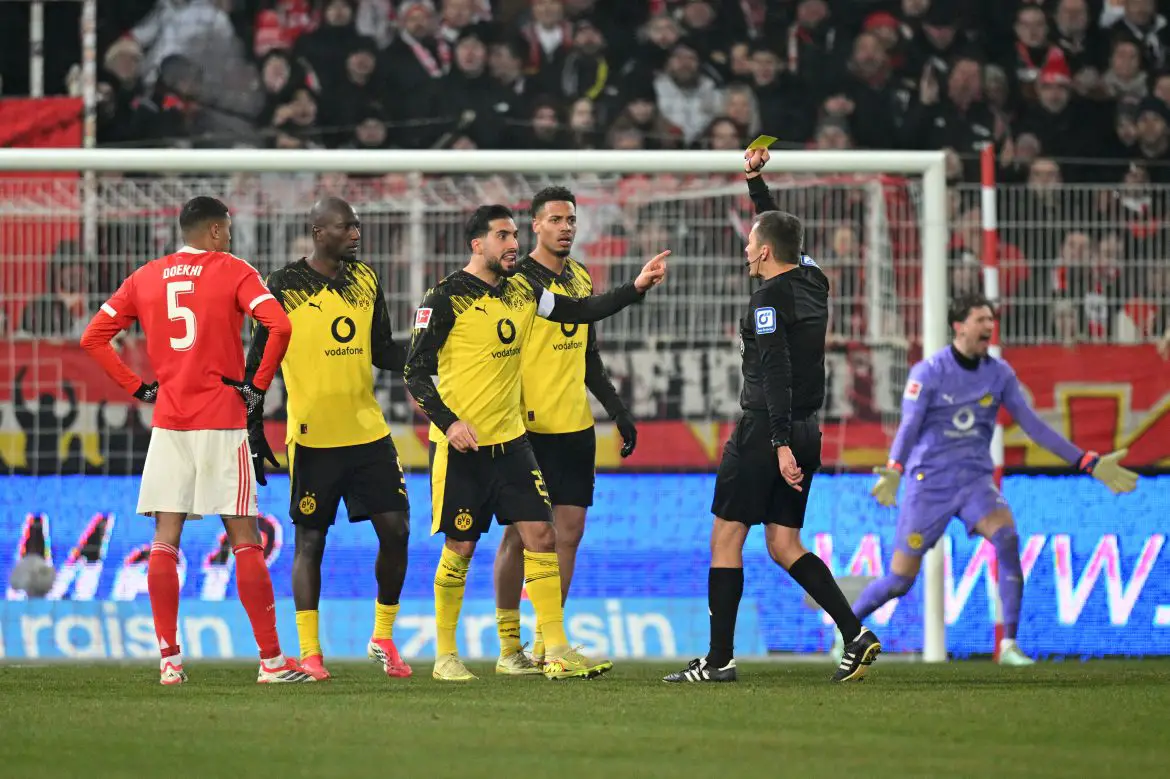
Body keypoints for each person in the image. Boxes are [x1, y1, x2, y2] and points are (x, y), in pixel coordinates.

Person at [403, 204, 668, 681]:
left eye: (514, 235)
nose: (513, 244)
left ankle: (555, 649)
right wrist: (450, 422)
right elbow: (414, 371)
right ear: (477, 244)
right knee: (460, 547)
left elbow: (578, 311)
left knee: (542, 537)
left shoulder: (524, 290)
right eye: (502, 236)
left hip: (512, 441)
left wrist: (636, 288)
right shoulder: (443, 298)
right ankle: (445, 655)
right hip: (462, 445)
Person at [665, 146, 881, 685]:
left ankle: (718, 661)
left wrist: (778, 443)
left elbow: (777, 370)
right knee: (784, 543)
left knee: (725, 538)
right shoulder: (816, 282)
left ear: (762, 253)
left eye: (750, 243)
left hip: (769, 429)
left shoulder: (765, 303)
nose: (745, 249)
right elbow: (788, 239)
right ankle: (855, 634)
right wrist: (756, 184)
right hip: (810, 428)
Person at [79, 196, 311, 685]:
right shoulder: (234, 270)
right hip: (223, 420)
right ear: (213, 231)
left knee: (165, 539)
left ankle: (169, 662)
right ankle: (270, 662)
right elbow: (279, 324)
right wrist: (258, 385)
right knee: (244, 537)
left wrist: (139, 387)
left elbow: (94, 337)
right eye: (226, 229)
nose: (229, 236)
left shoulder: (145, 276)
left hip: (170, 422)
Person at [854, 293, 1139, 665]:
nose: (989, 325)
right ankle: (846, 628)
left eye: (991, 319)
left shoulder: (999, 374)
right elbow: (908, 426)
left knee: (1006, 537)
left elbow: (1033, 425)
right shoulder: (929, 372)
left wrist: (1085, 460)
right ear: (958, 326)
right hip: (930, 484)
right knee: (900, 580)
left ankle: (1008, 645)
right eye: (980, 319)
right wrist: (895, 469)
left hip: (974, 481)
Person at [244, 197, 413, 681]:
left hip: (367, 432)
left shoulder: (366, 279)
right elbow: (261, 364)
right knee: (311, 541)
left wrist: (429, 358)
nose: (357, 234)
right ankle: (311, 652)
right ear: (319, 231)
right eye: (347, 227)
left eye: (358, 226)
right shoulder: (282, 286)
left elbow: (381, 349)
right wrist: (255, 430)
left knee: (397, 531)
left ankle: (382, 636)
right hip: (313, 437)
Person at [491, 186, 637, 676]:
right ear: (536, 225)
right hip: (525, 426)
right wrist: (634, 289)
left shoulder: (579, 276)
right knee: (522, 535)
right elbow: (576, 316)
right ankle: (509, 646)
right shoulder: (516, 280)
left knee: (568, 533)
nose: (565, 227)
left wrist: (617, 410)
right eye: (555, 220)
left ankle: (546, 644)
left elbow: (586, 352)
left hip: (575, 425)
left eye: (571, 219)